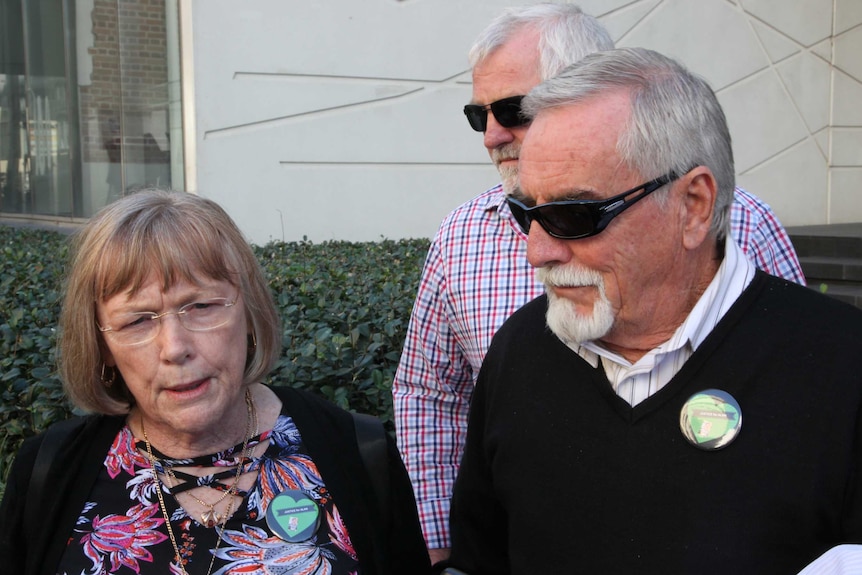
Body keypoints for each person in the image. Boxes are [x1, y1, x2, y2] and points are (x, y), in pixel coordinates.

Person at [392, 3, 806, 561]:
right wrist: (445, 548)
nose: (491, 135)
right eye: (477, 115)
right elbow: (429, 392)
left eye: (512, 109)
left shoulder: (742, 223)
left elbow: (799, 382)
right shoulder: (464, 239)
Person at [0, 189, 431, 575]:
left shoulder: (357, 451)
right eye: (137, 320)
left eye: (201, 306)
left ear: (249, 312)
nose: (174, 347)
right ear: (103, 346)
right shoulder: (49, 471)